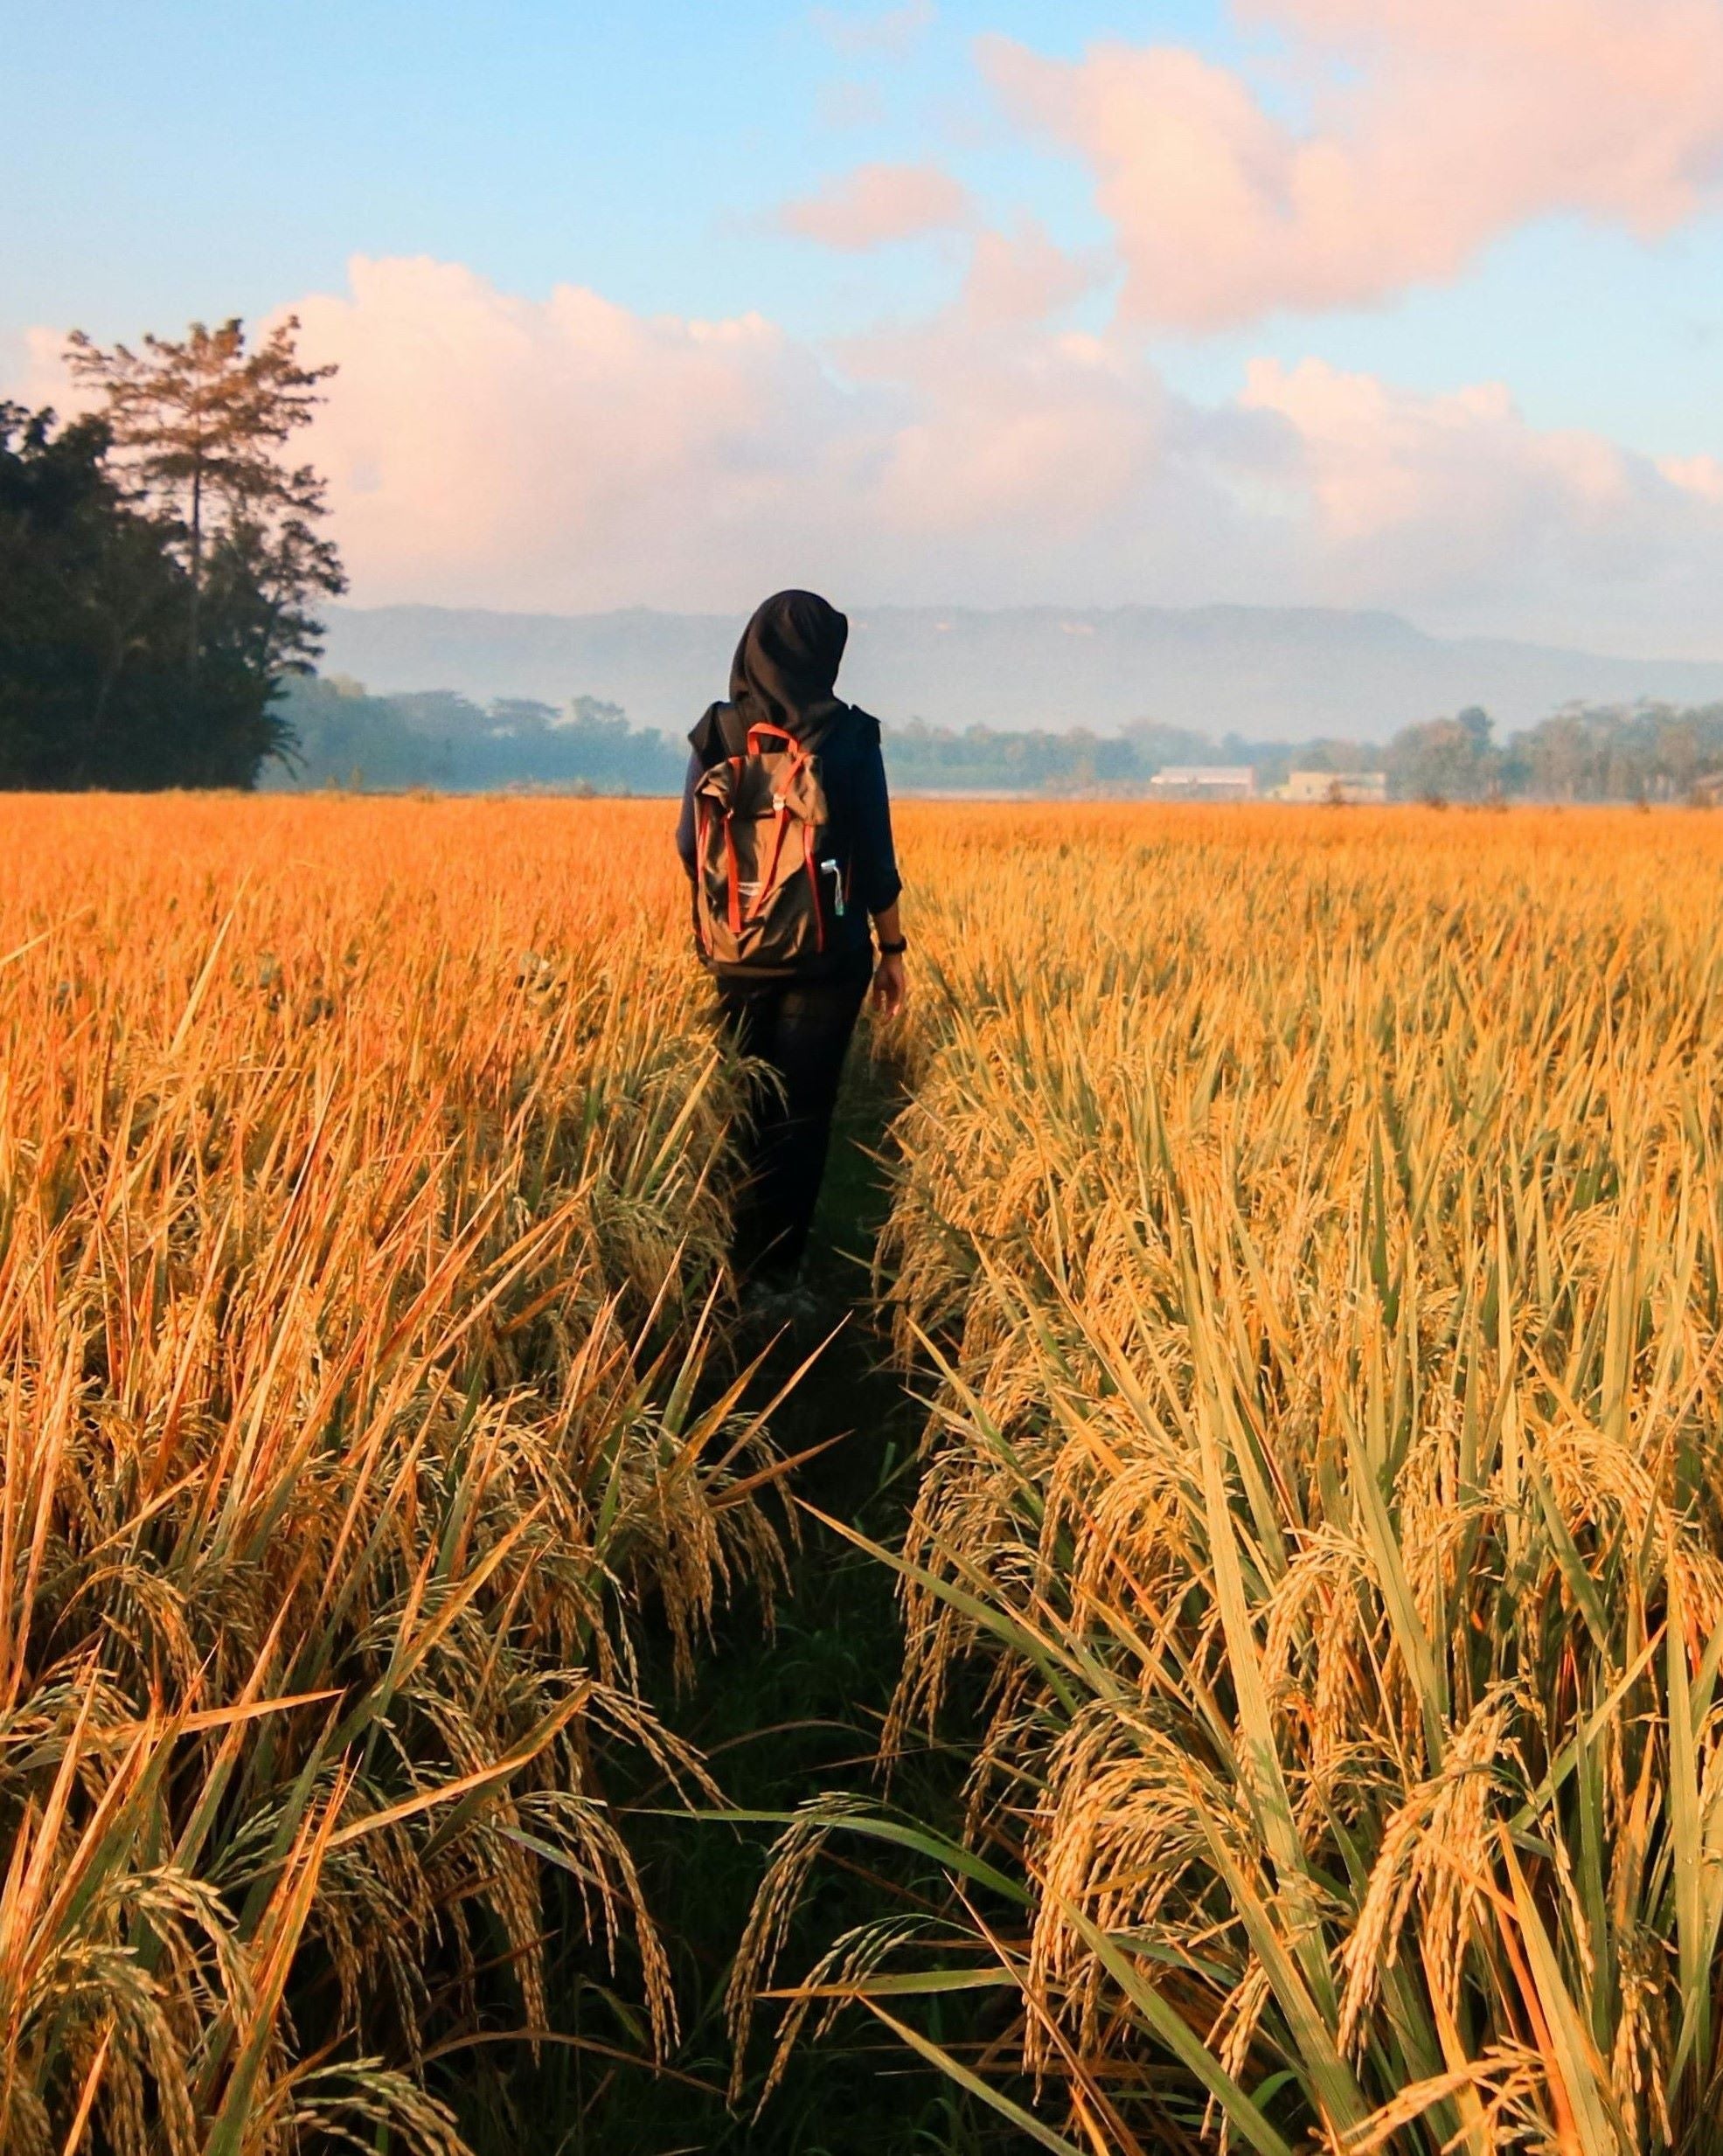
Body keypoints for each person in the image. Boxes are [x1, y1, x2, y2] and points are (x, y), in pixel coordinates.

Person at [676, 590, 906, 1313]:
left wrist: (733, 909)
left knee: (739, 1104)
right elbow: (874, 853)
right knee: (802, 1113)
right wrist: (891, 947)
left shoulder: (718, 729)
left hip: (734, 955)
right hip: (826, 957)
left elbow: (689, 844)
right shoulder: (848, 735)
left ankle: (723, 1263)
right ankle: (777, 1275)